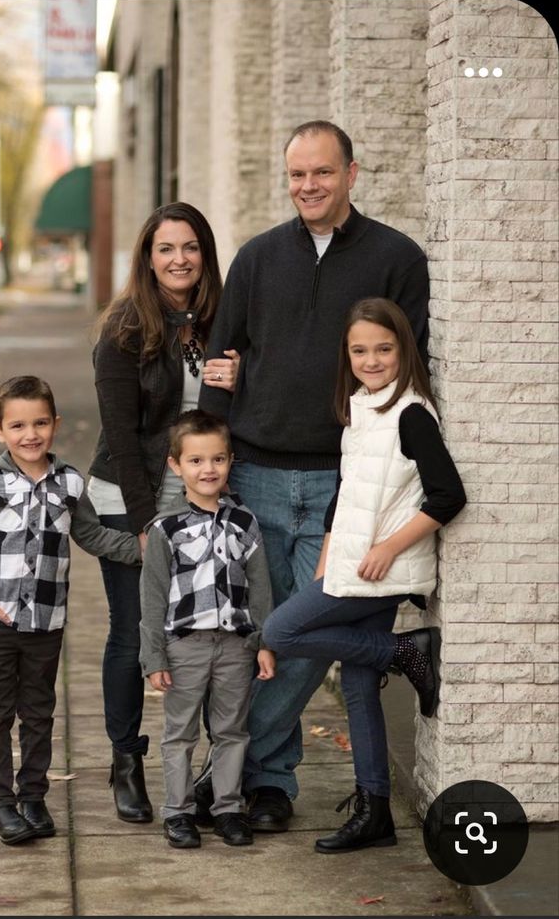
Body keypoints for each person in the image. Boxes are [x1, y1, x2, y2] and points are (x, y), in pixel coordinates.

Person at [198, 120, 431, 831]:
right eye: (296, 175)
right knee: (253, 635)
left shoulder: (396, 257)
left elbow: (411, 374)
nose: (307, 186)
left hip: (344, 486)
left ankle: (232, 771)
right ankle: (269, 786)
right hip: (257, 474)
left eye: (321, 173)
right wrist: (207, 475)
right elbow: (218, 361)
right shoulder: (258, 257)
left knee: (295, 636)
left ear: (351, 173)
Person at [262, 298, 466, 852]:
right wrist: (326, 564)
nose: (371, 360)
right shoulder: (362, 407)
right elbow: (344, 499)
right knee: (356, 686)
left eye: (383, 348)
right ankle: (375, 811)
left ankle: (404, 652)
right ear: (346, 355)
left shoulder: (411, 413)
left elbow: (448, 495)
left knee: (280, 632)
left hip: (383, 568)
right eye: (360, 350)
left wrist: (387, 547)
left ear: (404, 349)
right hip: (353, 566)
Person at [86, 202, 239, 823]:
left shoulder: (222, 324)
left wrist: (238, 378)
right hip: (130, 498)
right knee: (134, 634)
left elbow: (223, 424)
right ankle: (126, 762)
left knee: (207, 639)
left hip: (203, 496)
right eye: (166, 248)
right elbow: (121, 437)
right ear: (147, 259)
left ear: (205, 253)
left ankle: (206, 772)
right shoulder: (123, 329)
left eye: (190, 247)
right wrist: (150, 523)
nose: (179, 259)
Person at [0, 376, 141, 845]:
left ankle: (32, 795)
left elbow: (91, 535)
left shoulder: (70, 482)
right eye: (17, 425)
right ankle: (0, 801)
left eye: (40, 423)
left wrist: (145, 550)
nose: (30, 434)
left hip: (46, 622)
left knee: (39, 711)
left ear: (55, 424)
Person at [139, 409, 275, 848]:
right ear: (176, 465)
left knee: (232, 730)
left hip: (235, 646)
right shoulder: (165, 529)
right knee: (180, 732)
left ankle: (228, 809)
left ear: (230, 460)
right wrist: (154, 656)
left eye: (217, 459)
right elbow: (153, 597)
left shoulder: (244, 524)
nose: (208, 469)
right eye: (196, 461)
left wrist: (263, 643)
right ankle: (178, 813)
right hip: (184, 646)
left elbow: (260, 591)